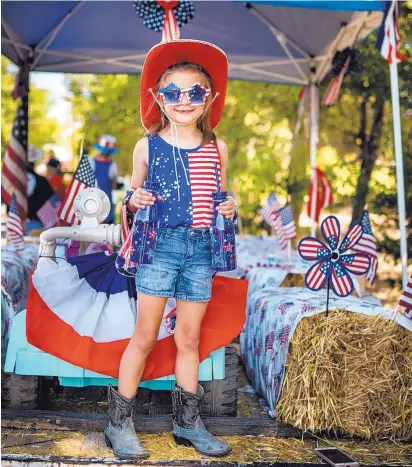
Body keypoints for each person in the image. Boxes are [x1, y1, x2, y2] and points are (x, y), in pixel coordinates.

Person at [104, 40, 236, 459]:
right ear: (158, 98)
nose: (184, 101)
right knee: (144, 335)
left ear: (209, 99)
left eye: (194, 92)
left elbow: (221, 197)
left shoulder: (219, 148)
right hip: (160, 245)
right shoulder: (148, 146)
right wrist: (134, 199)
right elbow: (132, 196)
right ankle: (118, 424)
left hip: (200, 249)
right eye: (173, 93)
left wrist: (231, 205)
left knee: (189, 337)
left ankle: (187, 423)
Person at [89, 135, 118, 223]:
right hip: (105, 204)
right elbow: (113, 186)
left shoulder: (90, 162)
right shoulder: (113, 166)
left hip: (91, 203)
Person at [26, 146, 55, 234]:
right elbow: (50, 200)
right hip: (38, 224)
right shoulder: (43, 181)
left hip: (19, 223)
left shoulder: (15, 181)